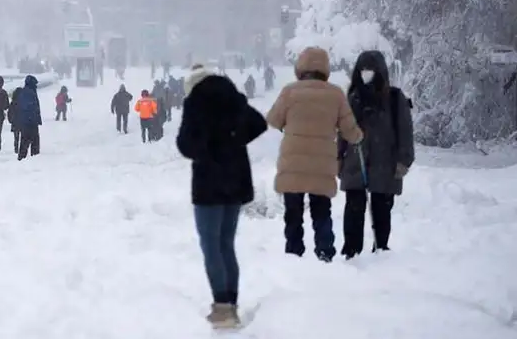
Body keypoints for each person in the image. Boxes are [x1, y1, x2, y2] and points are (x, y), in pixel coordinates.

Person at [176, 67, 267, 329]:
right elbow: (258, 124)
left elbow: (186, 144)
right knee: (226, 244)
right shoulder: (232, 97)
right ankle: (232, 305)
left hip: (209, 182)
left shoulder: (196, 101)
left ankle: (222, 308)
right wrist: (233, 140)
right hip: (236, 180)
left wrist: (208, 147)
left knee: (210, 245)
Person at [266, 47, 363, 261]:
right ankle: (324, 251)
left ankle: (294, 252)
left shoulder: (290, 91)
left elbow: (273, 119)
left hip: (293, 163)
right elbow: (350, 129)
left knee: (293, 213)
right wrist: (358, 137)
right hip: (322, 164)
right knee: (321, 212)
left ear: (300, 68)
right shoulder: (336, 94)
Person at [338, 50, 415, 257]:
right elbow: (342, 132)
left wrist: (403, 160)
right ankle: (351, 252)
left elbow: (405, 131)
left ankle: (381, 248)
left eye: (370, 70)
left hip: (385, 164)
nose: (366, 74)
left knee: (381, 208)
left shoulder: (394, 98)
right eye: (362, 70)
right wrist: (338, 159)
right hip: (356, 162)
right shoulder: (352, 98)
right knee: (354, 207)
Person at [16, 75, 42, 160]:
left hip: (27, 122)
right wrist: (34, 118)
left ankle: (24, 158)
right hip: (29, 122)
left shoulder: (26, 92)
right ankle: (30, 159)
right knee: (31, 142)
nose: (36, 86)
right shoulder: (29, 93)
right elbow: (29, 107)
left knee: (25, 142)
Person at [8, 86, 23, 154]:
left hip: (15, 122)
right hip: (23, 122)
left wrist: (11, 120)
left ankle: (16, 148)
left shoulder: (13, 102)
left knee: (16, 137)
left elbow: (9, 113)